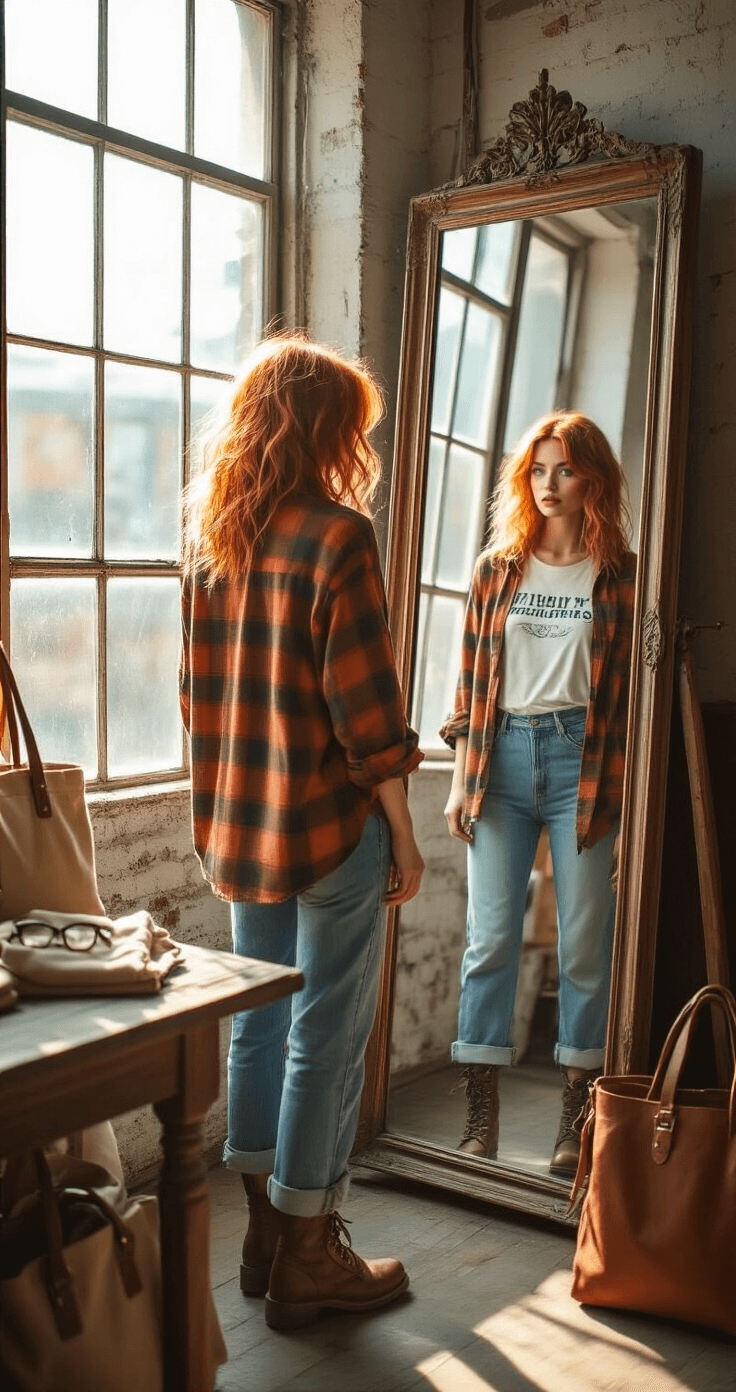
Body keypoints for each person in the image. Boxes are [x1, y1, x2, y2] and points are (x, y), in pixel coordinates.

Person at [180, 333, 424, 1330]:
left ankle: (260, 1237)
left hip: (242, 831)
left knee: (260, 1024)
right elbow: (364, 713)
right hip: (329, 829)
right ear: (327, 429)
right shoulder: (337, 536)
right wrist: (402, 835)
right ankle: (309, 1253)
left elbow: (197, 706)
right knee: (327, 1028)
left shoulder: (211, 546)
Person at [440, 411, 636, 1178]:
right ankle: (479, 1115)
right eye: (538, 470)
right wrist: (462, 780)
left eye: (566, 470)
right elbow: (469, 686)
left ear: (593, 478)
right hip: (502, 760)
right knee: (489, 941)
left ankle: (574, 1116)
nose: (549, 485)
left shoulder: (620, 573)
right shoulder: (498, 569)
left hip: (584, 762)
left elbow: (633, 700)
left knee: (584, 948)